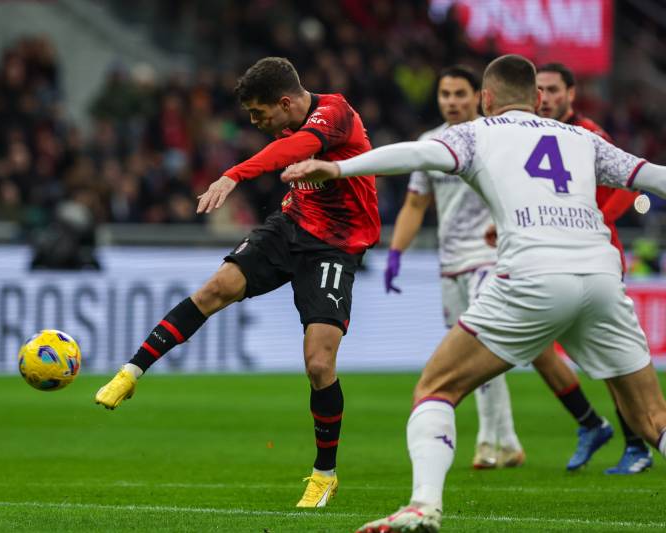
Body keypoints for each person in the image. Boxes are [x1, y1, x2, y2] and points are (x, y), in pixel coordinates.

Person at [282, 54, 666, 533]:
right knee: (653, 419)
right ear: (540, 98)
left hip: (533, 274)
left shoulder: (478, 132)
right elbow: (652, 176)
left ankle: (423, 507)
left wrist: (339, 170)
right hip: (602, 277)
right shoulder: (583, 138)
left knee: (436, 389)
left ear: (485, 99)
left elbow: (415, 154)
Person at [94, 57, 380, 508]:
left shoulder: (335, 114)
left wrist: (233, 174)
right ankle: (131, 372)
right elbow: (285, 150)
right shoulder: (286, 121)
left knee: (319, 365)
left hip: (337, 245)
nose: (255, 122)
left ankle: (324, 474)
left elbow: (293, 150)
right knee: (214, 289)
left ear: (285, 103)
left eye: (259, 114)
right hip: (290, 225)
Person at [385, 65, 525, 470]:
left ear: (479, 96)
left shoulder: (496, 138)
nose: (451, 101)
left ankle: (487, 441)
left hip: (490, 259)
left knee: (482, 348)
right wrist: (395, 253)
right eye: (445, 94)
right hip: (450, 265)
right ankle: (509, 441)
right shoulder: (430, 144)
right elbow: (415, 204)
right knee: (473, 354)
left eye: (459, 94)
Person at [530, 62, 649, 474]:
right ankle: (590, 423)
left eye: (552, 88)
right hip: (550, 258)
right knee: (538, 349)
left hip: (594, 258)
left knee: (614, 360)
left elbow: (627, 186)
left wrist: (591, 219)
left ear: (571, 93)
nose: (544, 96)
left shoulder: (591, 135)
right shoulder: (532, 134)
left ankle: (637, 444)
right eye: (538, 89)